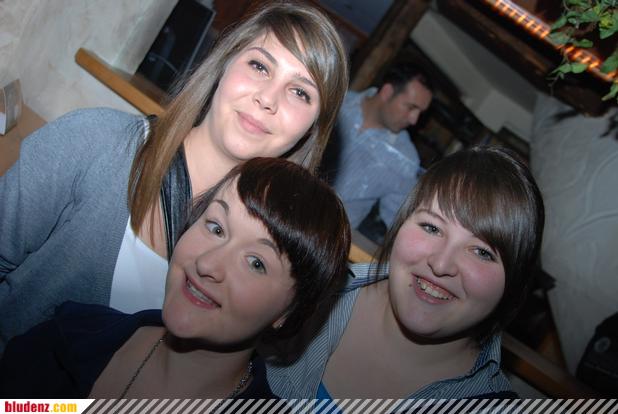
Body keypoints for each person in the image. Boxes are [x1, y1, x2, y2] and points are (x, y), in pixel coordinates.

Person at [0, 1, 349, 350]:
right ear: (225, 63)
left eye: (300, 92)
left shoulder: (271, 264)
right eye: (259, 66)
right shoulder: (95, 142)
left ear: (311, 129)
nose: (267, 98)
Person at [0, 157, 351, 398]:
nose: (208, 264)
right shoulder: (69, 336)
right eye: (215, 227)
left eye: (256, 263)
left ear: (289, 311)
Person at [267, 146, 545, 399]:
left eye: (482, 252)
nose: (441, 265)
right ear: (400, 223)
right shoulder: (301, 294)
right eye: (431, 228)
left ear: (514, 283)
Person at [322, 60, 433, 236]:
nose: (414, 120)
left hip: (326, 240)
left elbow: (398, 224)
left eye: (420, 112)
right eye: (411, 107)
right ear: (387, 92)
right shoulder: (334, 103)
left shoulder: (405, 159)